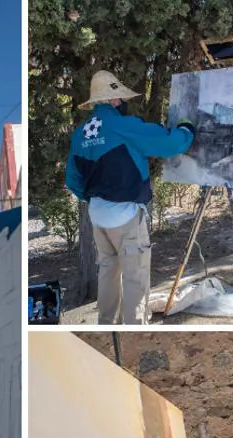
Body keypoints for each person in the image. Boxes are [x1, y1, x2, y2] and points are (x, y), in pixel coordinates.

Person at [65, 70, 196, 324]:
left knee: (108, 272)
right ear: (114, 100)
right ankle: (135, 328)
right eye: (121, 98)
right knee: (135, 276)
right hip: (125, 216)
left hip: (98, 217)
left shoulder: (80, 135)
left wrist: (95, 197)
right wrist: (186, 131)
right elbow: (170, 144)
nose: (123, 102)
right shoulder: (123, 127)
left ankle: (105, 324)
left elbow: (73, 180)